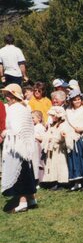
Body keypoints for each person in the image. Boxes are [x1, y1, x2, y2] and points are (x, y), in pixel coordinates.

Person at [0, 84, 36, 212]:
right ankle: (31, 199)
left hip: (17, 146)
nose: (7, 98)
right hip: (24, 146)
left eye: (9, 95)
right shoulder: (24, 107)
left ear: (15, 96)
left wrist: (5, 133)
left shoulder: (15, 109)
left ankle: (22, 202)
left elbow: (16, 129)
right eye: (6, 95)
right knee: (26, 172)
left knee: (20, 175)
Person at [65, 89, 83, 191]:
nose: (77, 102)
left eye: (79, 99)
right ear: (71, 101)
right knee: (73, 159)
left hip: (82, 136)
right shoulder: (68, 111)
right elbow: (67, 123)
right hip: (72, 137)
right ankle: (77, 181)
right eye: (75, 100)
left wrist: (82, 129)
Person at [41, 106, 72, 189]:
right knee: (52, 165)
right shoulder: (51, 125)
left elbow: (64, 133)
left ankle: (61, 182)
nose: (52, 117)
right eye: (51, 116)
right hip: (52, 147)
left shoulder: (62, 124)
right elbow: (48, 133)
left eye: (53, 115)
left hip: (59, 149)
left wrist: (61, 136)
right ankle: (53, 180)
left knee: (60, 165)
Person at [32, 110, 46, 184]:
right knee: (33, 164)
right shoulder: (33, 127)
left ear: (39, 118)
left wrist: (35, 137)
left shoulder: (40, 127)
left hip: (38, 148)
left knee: (39, 164)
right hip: (33, 148)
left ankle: (40, 180)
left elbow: (43, 138)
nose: (32, 119)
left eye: (33, 118)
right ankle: (34, 179)